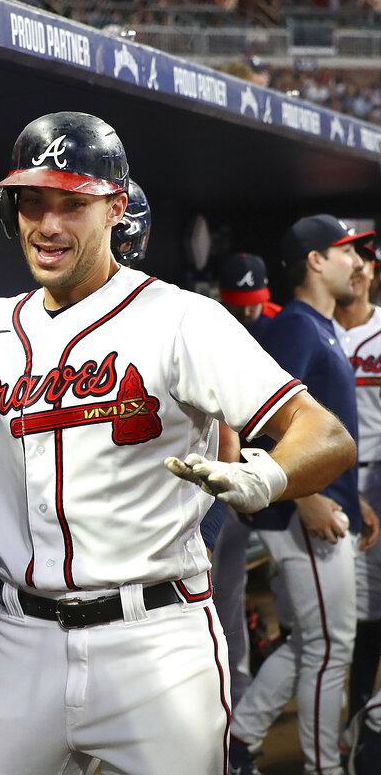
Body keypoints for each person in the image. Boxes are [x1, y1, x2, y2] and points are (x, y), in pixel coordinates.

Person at [0, 111, 356, 775]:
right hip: (23, 641)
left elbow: (325, 434)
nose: (50, 224)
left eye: (73, 202)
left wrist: (263, 476)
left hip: (155, 639)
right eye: (32, 201)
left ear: (117, 207)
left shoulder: (181, 320)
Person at [228, 214, 372, 775]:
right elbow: (257, 420)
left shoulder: (320, 325)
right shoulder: (295, 324)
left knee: (313, 643)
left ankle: (241, 740)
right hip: (300, 514)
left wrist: (346, 494)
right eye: (346, 253)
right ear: (314, 260)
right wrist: (306, 495)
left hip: (324, 505)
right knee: (328, 648)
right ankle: (322, 767)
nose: (358, 264)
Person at [210, 251, 283, 708]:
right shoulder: (211, 323)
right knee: (226, 593)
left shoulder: (282, 326)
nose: (247, 311)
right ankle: (233, 693)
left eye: (253, 300)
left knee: (297, 596)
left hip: (281, 475)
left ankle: (245, 691)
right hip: (227, 479)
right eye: (239, 301)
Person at [332, 230, 381, 733]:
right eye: (352, 256)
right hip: (327, 484)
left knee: (369, 613)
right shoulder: (313, 328)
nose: (360, 266)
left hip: (376, 480)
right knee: (328, 620)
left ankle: (360, 725)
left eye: (366, 258)